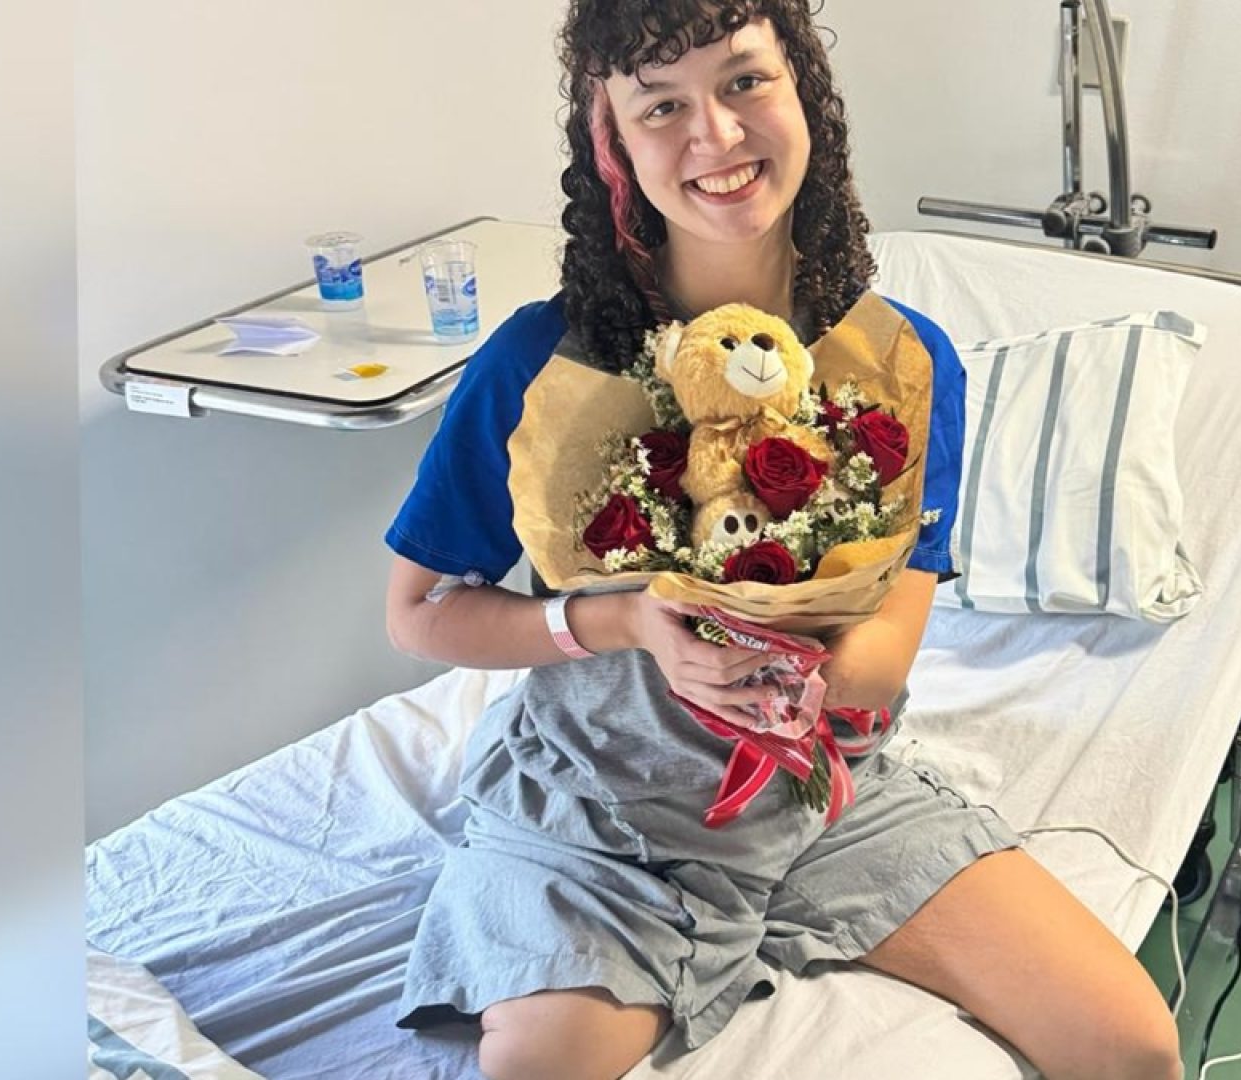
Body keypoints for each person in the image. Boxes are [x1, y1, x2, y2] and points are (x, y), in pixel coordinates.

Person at [383, 3, 1181, 1079]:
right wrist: (626, 622)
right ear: (611, 146)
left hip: (819, 796)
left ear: (806, 94)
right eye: (661, 104)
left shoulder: (902, 362)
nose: (713, 135)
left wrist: (811, 689)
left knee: (1132, 1045)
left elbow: (893, 637)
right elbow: (417, 615)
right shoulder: (538, 367)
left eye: (745, 81)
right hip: (605, 808)